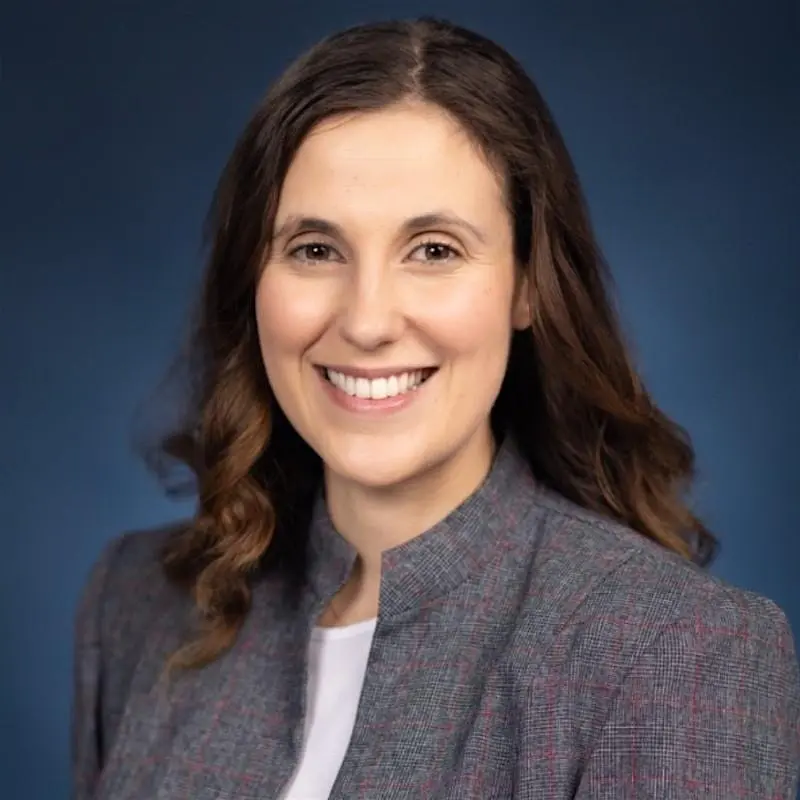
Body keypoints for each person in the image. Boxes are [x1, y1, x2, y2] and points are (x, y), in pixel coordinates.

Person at [71, 16, 800, 800]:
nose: (368, 321)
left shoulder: (675, 654)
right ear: (255, 280)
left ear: (527, 285)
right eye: (316, 250)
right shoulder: (138, 604)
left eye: (435, 251)